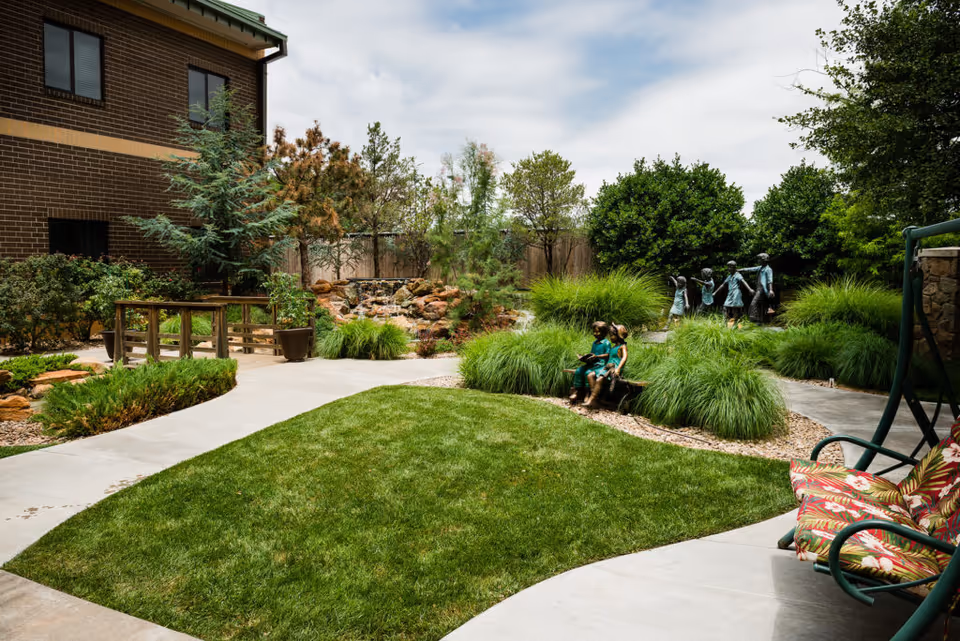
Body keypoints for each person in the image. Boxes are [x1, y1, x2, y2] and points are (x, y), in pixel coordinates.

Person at [587, 324, 629, 408]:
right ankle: (595, 398)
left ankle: (592, 399)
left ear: (618, 336)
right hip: (607, 368)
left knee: (599, 379)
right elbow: (607, 355)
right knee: (590, 375)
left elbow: (624, 358)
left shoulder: (622, 347)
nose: (610, 338)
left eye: (612, 336)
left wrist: (618, 369)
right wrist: (597, 357)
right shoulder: (614, 347)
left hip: (614, 370)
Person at [569, 321, 611, 404]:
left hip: (600, 365)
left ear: (604, 332)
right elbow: (592, 354)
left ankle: (588, 394)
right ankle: (577, 392)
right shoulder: (594, 343)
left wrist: (597, 356)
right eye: (594, 332)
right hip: (592, 364)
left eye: (597, 331)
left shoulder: (606, 343)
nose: (595, 333)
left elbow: (608, 354)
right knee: (579, 370)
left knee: (588, 373)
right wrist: (586, 357)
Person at [713, 260, 754, 327]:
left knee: (735, 308)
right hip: (730, 293)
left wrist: (750, 289)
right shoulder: (729, 276)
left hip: (736, 293)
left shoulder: (738, 275)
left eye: (730, 267)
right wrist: (715, 292)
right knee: (725, 306)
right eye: (728, 267)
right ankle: (726, 323)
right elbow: (723, 285)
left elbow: (743, 281)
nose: (729, 269)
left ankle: (735, 324)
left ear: (734, 268)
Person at [741, 253, 775, 324]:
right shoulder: (760, 268)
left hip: (762, 289)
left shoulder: (768, 269)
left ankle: (754, 319)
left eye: (759, 259)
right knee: (761, 305)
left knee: (754, 303)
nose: (758, 261)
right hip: (758, 289)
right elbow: (751, 269)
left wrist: (771, 290)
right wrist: (741, 270)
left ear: (764, 260)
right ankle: (761, 320)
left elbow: (770, 280)